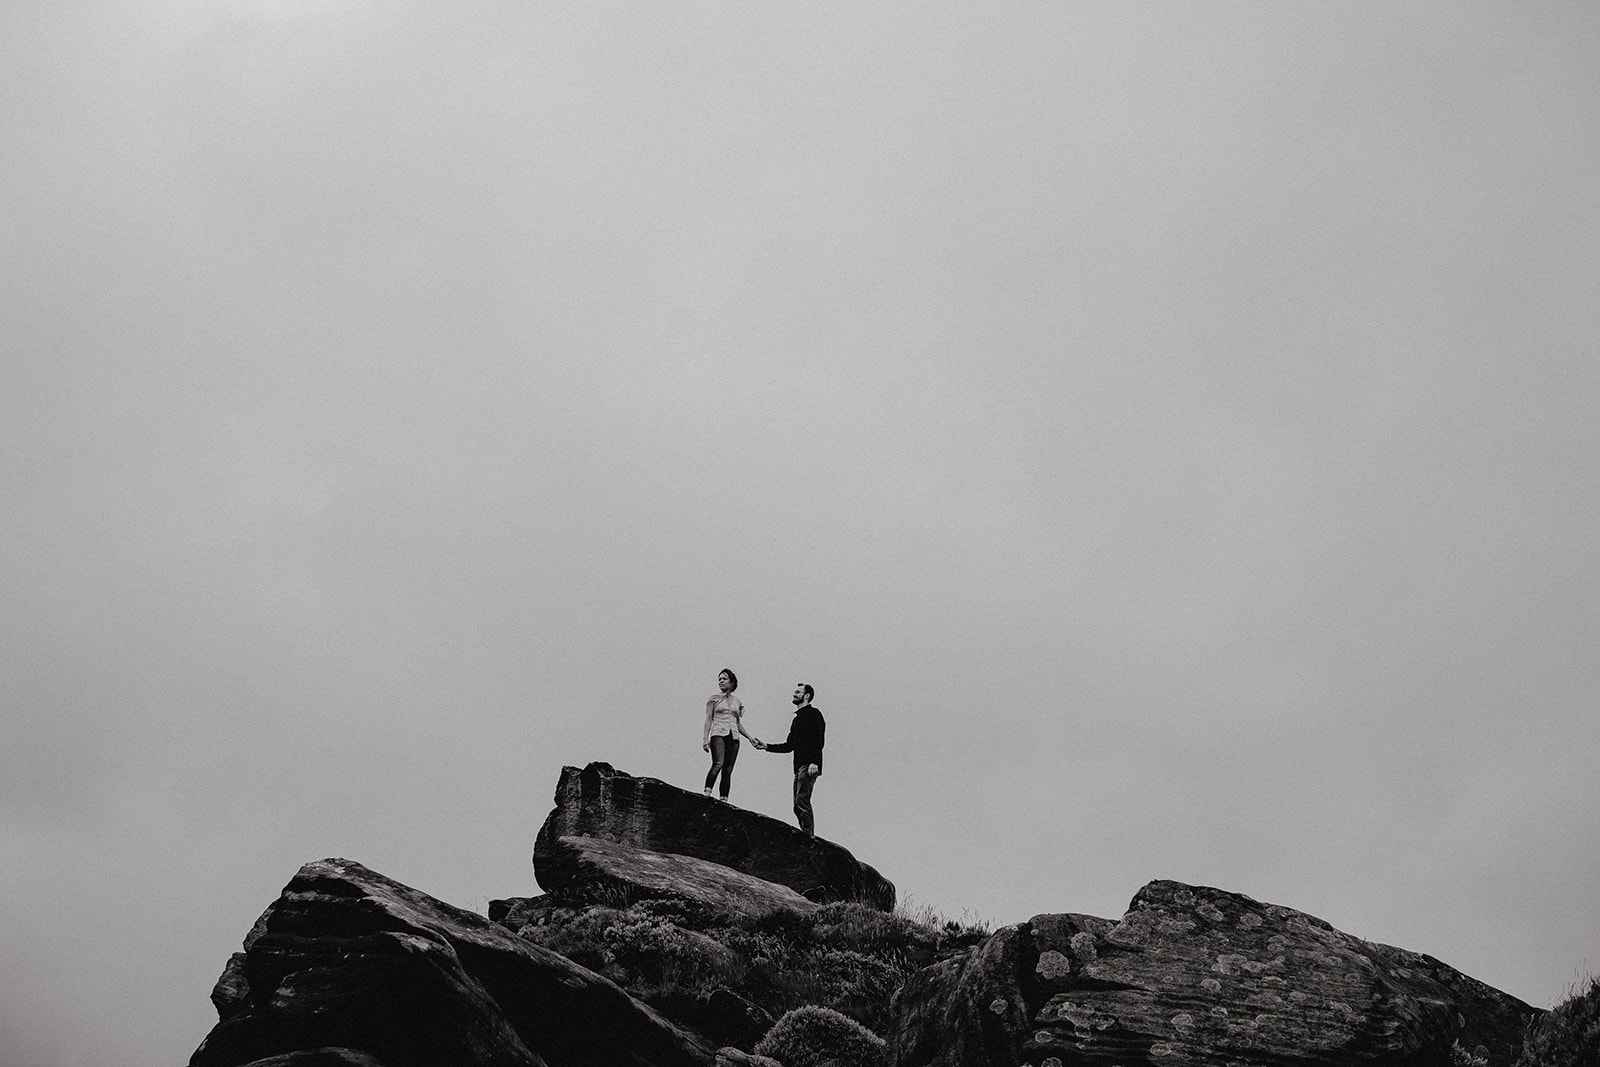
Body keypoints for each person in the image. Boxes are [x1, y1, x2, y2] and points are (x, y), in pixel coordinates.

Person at [754, 683, 825, 836]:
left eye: (798, 692)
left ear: (806, 696)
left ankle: (809, 836)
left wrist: (815, 762)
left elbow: (819, 739)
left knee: (801, 799)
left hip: (809, 765)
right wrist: (766, 746)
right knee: (796, 805)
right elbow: (789, 745)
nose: (794, 694)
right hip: (799, 766)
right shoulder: (796, 720)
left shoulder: (814, 714)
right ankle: (806, 834)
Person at [702, 668, 759, 802]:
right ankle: (707, 792)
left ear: (732, 682)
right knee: (718, 763)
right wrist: (705, 738)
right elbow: (708, 718)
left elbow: (737, 723)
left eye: (724, 678)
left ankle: (724, 799)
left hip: (733, 736)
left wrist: (750, 738)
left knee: (728, 770)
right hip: (718, 733)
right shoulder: (714, 698)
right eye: (719, 679)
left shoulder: (737, 702)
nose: (721, 681)